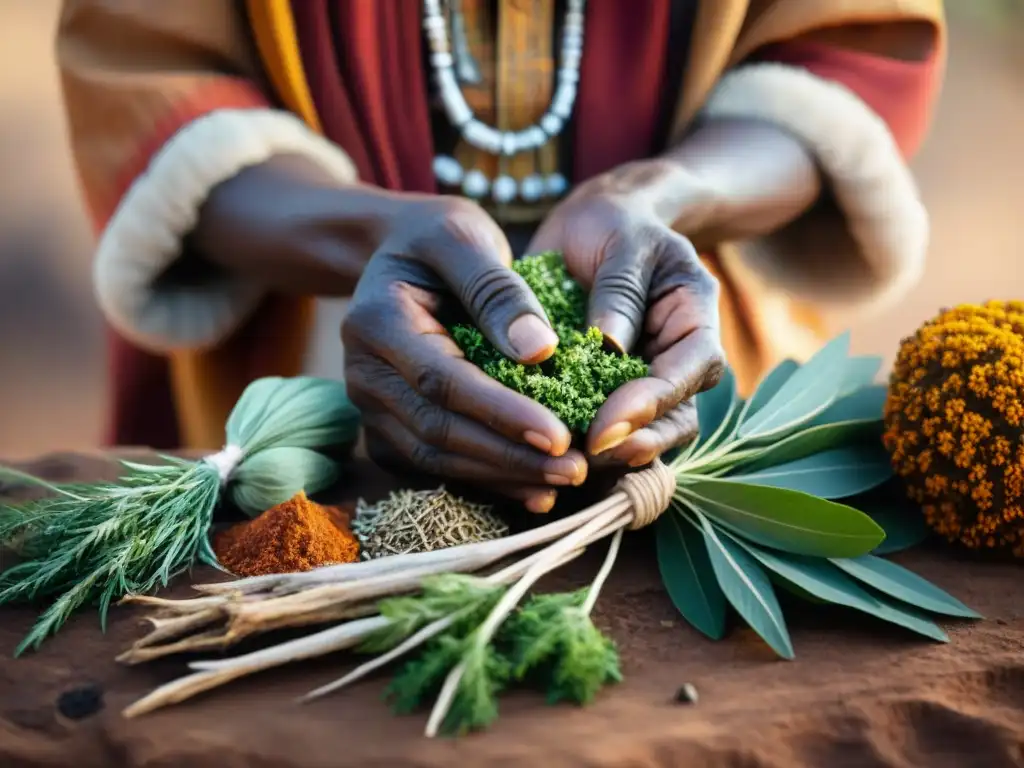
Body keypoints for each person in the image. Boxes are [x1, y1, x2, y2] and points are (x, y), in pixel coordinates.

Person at [57, 0, 945, 513]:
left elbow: (848, 48)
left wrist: (660, 194)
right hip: (316, 357)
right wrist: (369, 233)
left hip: (689, 352)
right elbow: (149, 77)